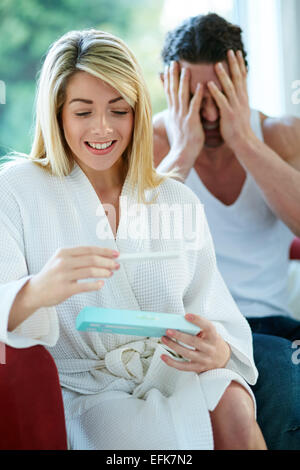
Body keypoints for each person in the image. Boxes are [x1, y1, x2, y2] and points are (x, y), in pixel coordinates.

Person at [0, 29, 266, 450]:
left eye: (118, 110)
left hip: (171, 370)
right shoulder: (16, 190)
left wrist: (218, 351)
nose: (102, 128)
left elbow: (214, 312)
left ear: (137, 113)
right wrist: (37, 290)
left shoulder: (174, 197)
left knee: (234, 404)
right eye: (83, 111)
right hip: (87, 388)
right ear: (57, 113)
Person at [153, 13, 300, 450]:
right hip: (192, 326)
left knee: (280, 367)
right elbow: (131, 240)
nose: (212, 113)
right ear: (168, 85)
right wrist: (184, 150)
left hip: (273, 326)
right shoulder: (151, 144)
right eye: (196, 98)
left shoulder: (281, 136)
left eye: (221, 93)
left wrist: (246, 142)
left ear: (243, 80)